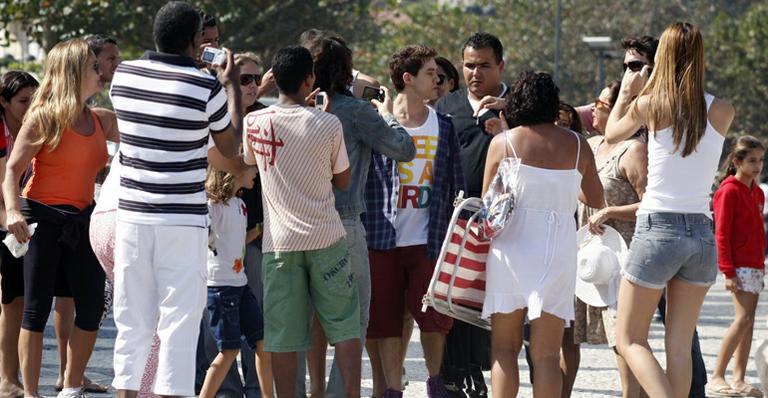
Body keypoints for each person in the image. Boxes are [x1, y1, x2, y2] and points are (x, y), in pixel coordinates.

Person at [109, 2, 243, 397]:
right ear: (195, 41)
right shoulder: (207, 87)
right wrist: (229, 82)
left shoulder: (124, 75)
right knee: (178, 324)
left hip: (132, 215)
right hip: (182, 220)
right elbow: (229, 146)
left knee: (132, 320)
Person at [606, 22, 735, 398]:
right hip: (701, 232)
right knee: (678, 347)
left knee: (630, 338)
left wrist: (627, 92)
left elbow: (612, 133)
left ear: (664, 56)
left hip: (658, 229)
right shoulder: (723, 110)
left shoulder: (651, 104)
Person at [3, 38, 120, 398]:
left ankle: (71, 387)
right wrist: (11, 211)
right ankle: (32, 393)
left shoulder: (102, 119)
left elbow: (141, 144)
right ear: (73, 71)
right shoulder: (43, 117)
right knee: (34, 311)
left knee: (90, 309)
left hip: (84, 220)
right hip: (40, 219)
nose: (102, 71)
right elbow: (12, 170)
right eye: (93, 66)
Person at [242, 45, 361, 398]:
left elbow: (250, 163)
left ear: (274, 78)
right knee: (344, 327)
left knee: (282, 334)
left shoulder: (255, 123)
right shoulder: (328, 123)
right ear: (310, 79)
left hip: (279, 244)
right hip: (327, 238)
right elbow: (343, 181)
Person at [303, 35, 416, 398]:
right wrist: (383, 111)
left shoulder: (297, 108)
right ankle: (338, 393)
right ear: (346, 71)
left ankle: (316, 391)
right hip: (345, 222)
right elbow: (403, 149)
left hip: (298, 225)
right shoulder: (356, 111)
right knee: (352, 319)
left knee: (311, 320)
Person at [481, 70, 604, 397]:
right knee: (547, 354)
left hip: (509, 249)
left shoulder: (502, 143)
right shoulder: (579, 145)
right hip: (557, 251)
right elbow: (595, 198)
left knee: (504, 350)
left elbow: (487, 204)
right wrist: (560, 189)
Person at [363, 45, 464, 398]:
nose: (437, 79)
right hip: (382, 236)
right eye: (430, 73)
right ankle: (393, 389)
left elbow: (456, 183)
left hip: (430, 238)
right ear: (408, 79)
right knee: (385, 320)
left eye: (438, 73)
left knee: (434, 318)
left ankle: (435, 383)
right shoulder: (377, 126)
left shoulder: (445, 126)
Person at [49, 34, 122, 396]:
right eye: (108, 60)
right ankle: (63, 374)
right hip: (60, 213)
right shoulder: (59, 110)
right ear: (88, 62)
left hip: (94, 209)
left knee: (86, 300)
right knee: (61, 298)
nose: (113, 67)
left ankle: (73, 374)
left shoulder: (102, 111)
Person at [569, 80, 649, 398]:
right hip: (591, 256)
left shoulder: (635, 149)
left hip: (623, 257)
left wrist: (610, 210)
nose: (593, 109)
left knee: (625, 340)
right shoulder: (591, 144)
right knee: (600, 339)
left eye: (600, 104)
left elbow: (651, 204)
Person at [199, 164, 268, 398]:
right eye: (250, 168)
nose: (255, 173)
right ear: (235, 170)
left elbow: (238, 241)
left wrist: (258, 229)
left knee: (261, 342)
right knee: (229, 350)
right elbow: (201, 237)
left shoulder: (240, 205)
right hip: (220, 289)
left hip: (241, 285)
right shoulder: (212, 208)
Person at [708, 136, 766, 398]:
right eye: (752, 160)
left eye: (761, 160)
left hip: (755, 265)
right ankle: (717, 375)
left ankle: (739, 378)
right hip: (738, 266)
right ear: (737, 162)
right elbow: (721, 233)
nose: (758, 166)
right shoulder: (728, 191)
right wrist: (728, 271)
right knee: (742, 319)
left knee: (749, 322)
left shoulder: (758, 192)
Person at [435, 32, 509, 200]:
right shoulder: (446, 105)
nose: (476, 73)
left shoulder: (520, 105)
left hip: (504, 208)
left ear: (501, 66)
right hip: (455, 209)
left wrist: (509, 107)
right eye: (470, 66)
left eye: (484, 66)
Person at [0, 70, 37, 398]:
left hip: (16, 216)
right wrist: (9, 220)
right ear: (4, 101)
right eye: (23, 101)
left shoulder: (32, 128)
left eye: (34, 100)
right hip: (7, 216)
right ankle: (7, 379)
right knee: (11, 302)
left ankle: (10, 377)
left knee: (16, 300)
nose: (30, 106)